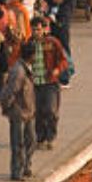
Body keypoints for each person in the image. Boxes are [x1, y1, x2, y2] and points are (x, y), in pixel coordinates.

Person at [27, 18, 67, 151]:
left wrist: (57, 69)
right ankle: (40, 137)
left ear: (44, 29)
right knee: (37, 112)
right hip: (35, 83)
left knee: (51, 110)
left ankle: (51, 137)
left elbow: (63, 60)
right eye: (33, 30)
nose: (36, 32)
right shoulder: (29, 44)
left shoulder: (52, 43)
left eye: (38, 29)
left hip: (50, 82)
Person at [0, 40, 36, 181]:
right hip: (19, 112)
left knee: (31, 141)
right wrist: (7, 108)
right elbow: (9, 92)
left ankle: (26, 166)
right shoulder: (18, 72)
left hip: (28, 111)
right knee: (18, 144)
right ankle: (17, 171)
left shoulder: (26, 68)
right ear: (31, 55)